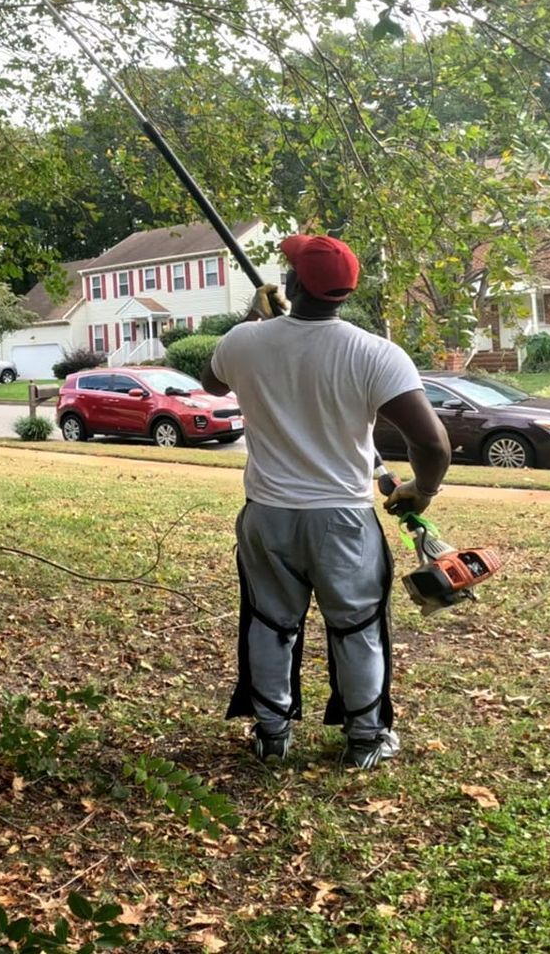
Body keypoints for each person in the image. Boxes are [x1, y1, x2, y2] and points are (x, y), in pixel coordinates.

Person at [200, 235, 452, 769]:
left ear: (290, 285)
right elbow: (431, 443)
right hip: (344, 519)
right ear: (347, 291)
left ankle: (272, 732)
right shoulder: (375, 353)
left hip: (267, 515)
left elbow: (212, 382)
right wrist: (420, 491)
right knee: (356, 627)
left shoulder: (245, 341)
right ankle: (364, 738)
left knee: (270, 622)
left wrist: (255, 319)